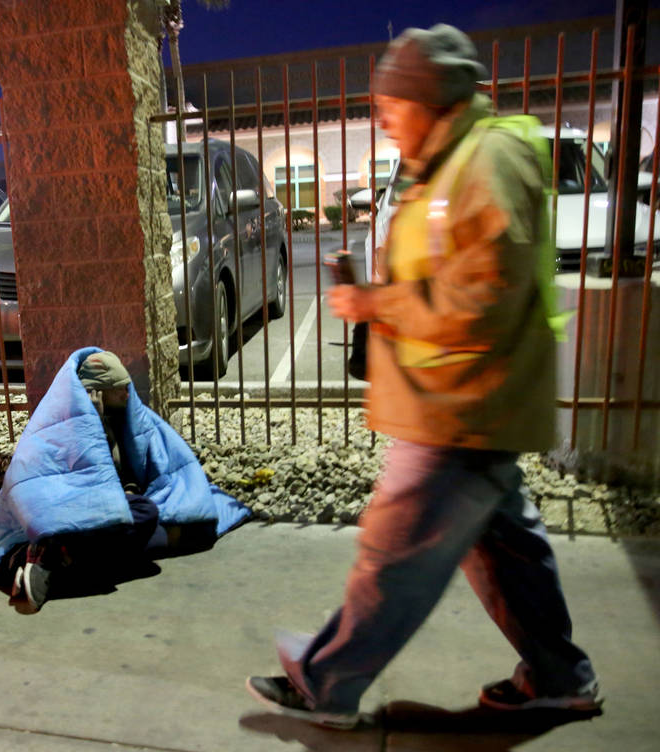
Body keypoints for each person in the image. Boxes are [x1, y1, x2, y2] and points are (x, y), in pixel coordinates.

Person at [245, 24, 601, 729]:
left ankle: (325, 682)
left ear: (429, 97)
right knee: (507, 551)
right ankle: (561, 677)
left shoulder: (485, 158)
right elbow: (454, 272)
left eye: (391, 103)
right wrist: (377, 294)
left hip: (463, 403)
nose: (383, 118)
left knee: (395, 550)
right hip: (470, 401)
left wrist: (376, 302)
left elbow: (483, 297)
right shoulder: (446, 160)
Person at [0, 348, 250, 612]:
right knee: (144, 523)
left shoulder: (122, 419)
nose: (126, 393)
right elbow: (58, 486)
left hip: (98, 516)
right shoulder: (67, 424)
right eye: (118, 388)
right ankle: (42, 555)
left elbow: (138, 470)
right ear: (96, 391)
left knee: (161, 524)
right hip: (66, 514)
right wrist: (96, 426)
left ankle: (51, 559)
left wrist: (129, 492)